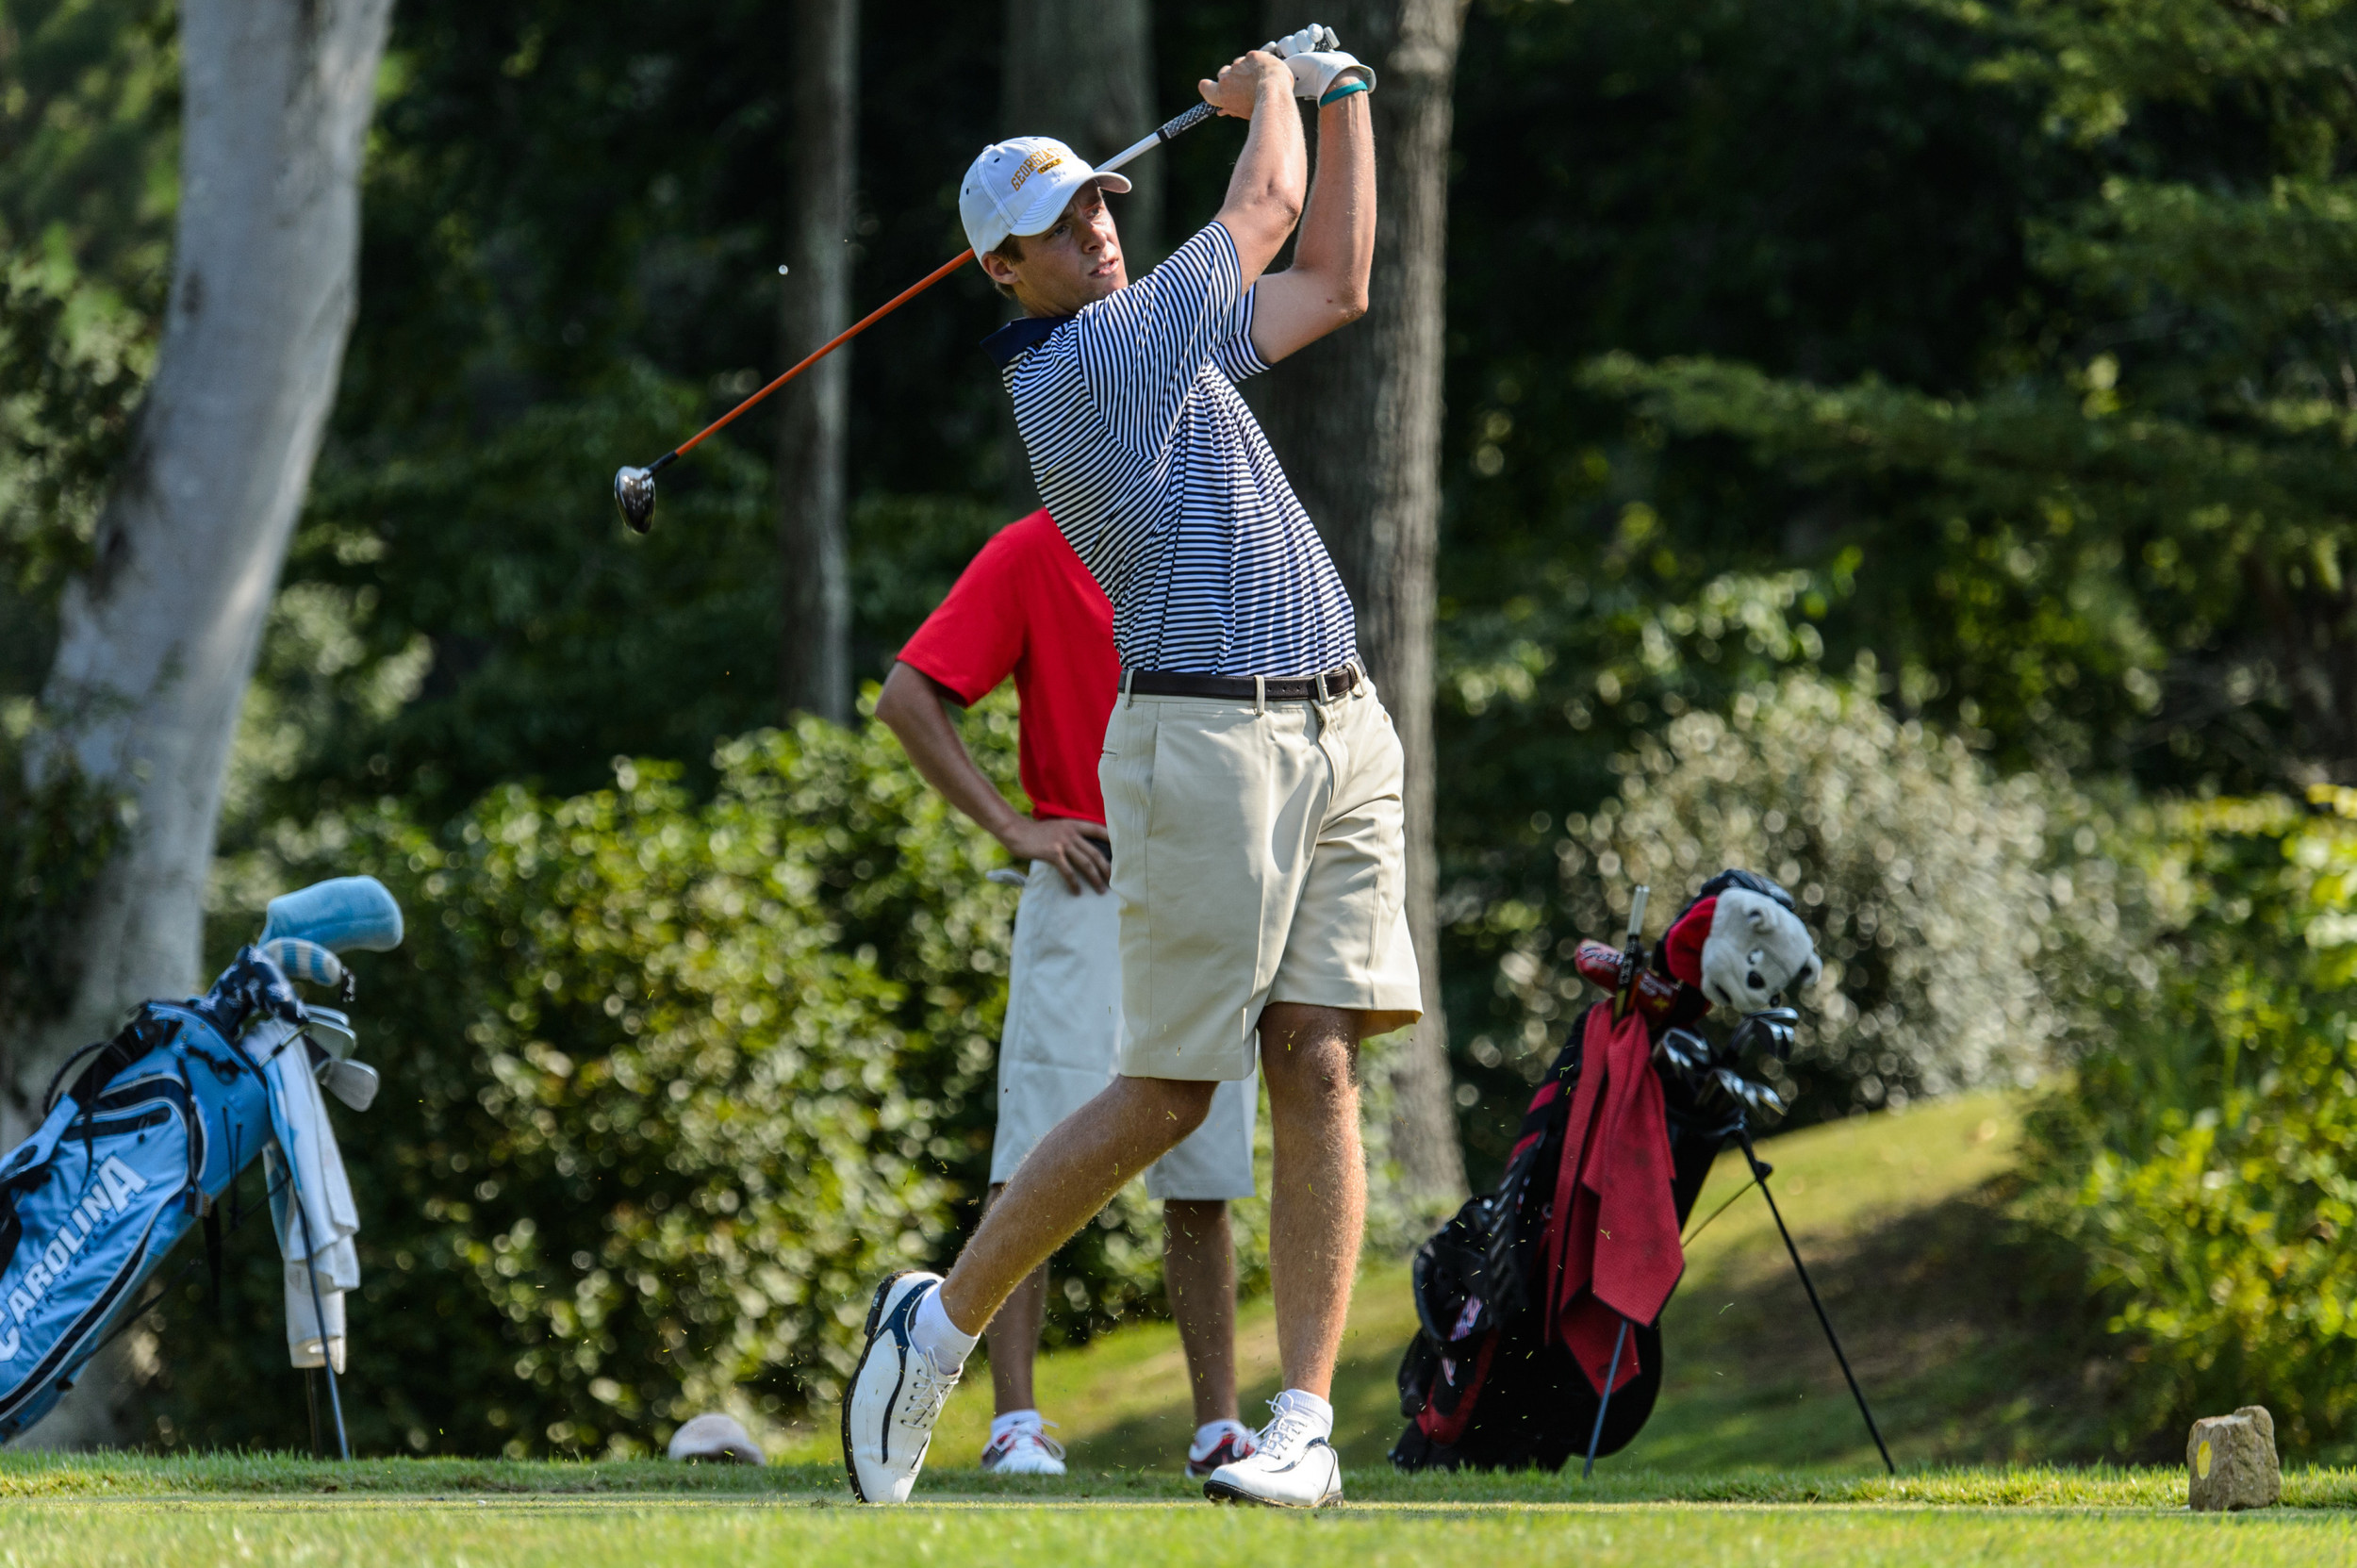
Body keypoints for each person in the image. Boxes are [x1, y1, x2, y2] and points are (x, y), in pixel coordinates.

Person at [846, 30, 1407, 1510]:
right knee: (1166, 1092)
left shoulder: (1166, 335)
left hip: (1337, 719)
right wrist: (1270, 90)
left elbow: (1338, 277)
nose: (1096, 227)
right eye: (1056, 227)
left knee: (1319, 1055)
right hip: (1207, 736)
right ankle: (941, 1323)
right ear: (1003, 275)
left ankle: (1299, 1422)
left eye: (1099, 203)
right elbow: (1266, 211)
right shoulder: (1093, 354)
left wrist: (1342, 97)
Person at [871, 508, 1261, 1479]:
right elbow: (908, 695)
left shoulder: (1223, 533)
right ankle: (1016, 1423)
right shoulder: (1034, 547)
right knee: (1034, 1151)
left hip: (1208, 883)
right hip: (1086, 876)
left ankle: (1219, 1427)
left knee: (1204, 1167)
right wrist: (1011, 824)